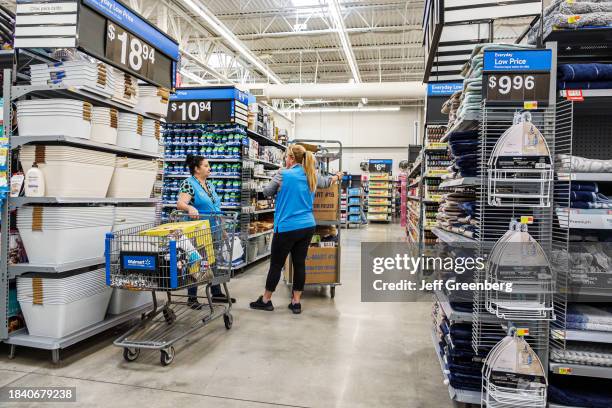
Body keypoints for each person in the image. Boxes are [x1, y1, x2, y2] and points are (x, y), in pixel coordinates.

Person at [250, 144, 343, 314]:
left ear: (291, 158)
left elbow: (267, 192)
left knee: (276, 265)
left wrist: (279, 183)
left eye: (286, 157)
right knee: (299, 264)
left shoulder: (283, 174)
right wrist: (337, 176)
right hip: (307, 226)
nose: (285, 159)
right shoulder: (311, 175)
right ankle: (296, 302)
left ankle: (266, 300)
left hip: (286, 227)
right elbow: (327, 182)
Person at [177, 154, 235, 309]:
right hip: (198, 231)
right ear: (196, 169)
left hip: (214, 228)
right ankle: (192, 297)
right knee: (196, 262)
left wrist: (222, 229)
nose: (209, 168)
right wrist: (189, 207)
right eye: (206, 166)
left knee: (213, 261)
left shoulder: (210, 185)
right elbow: (180, 203)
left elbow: (216, 208)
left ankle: (216, 293)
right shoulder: (189, 184)